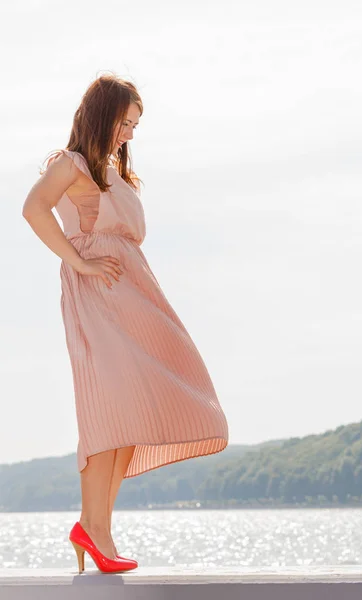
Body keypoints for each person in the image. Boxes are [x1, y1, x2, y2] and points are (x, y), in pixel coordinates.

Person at [22, 73, 229, 574]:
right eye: (125, 122)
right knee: (108, 411)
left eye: (136, 125)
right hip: (98, 296)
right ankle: (96, 532)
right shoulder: (70, 164)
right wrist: (81, 262)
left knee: (133, 412)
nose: (130, 134)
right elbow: (33, 209)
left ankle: (96, 528)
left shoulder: (116, 170)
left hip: (137, 297)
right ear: (102, 115)